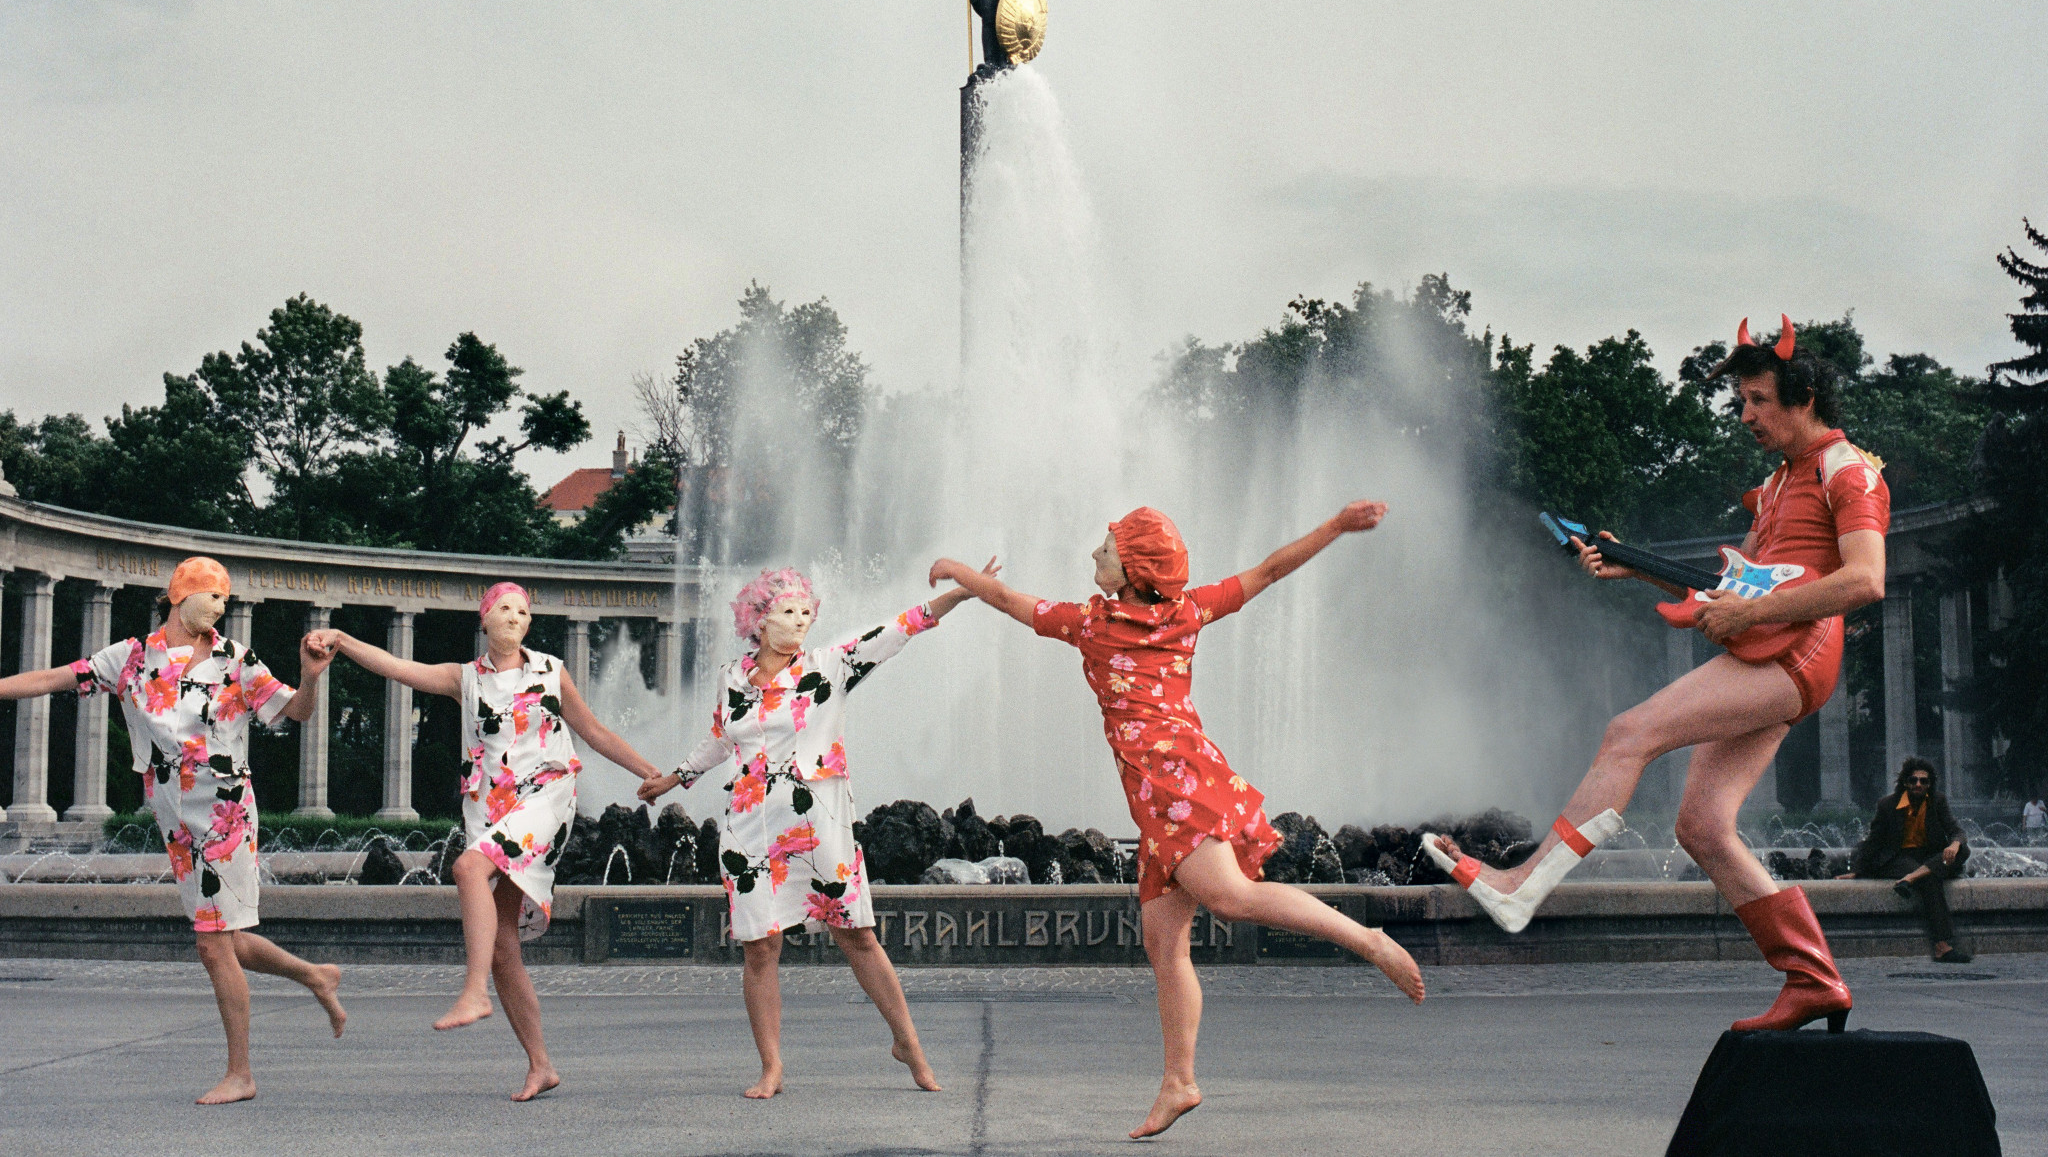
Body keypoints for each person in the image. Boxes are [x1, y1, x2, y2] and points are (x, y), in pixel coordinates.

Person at [1425, 316, 1890, 1034]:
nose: (1746, 416)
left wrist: (1747, 614)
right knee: (1702, 827)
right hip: (1770, 649)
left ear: (1804, 398)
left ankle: (1521, 887)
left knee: (1629, 734)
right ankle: (1813, 978)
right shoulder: (1775, 486)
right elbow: (1730, 588)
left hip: (1796, 653)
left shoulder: (1847, 470)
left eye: (1759, 400)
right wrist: (1631, 566)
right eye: (1741, 401)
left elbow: (1865, 580)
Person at [929, 504, 1425, 1141]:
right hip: (1162, 796)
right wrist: (1335, 526)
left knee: (1231, 898)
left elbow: (1006, 599)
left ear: (1135, 570)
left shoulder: (1092, 623)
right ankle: (1179, 1082)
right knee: (1165, 946)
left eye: (1107, 550)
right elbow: (1268, 571)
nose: (1094, 556)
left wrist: (959, 571)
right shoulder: (1178, 613)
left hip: (1178, 787)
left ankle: (1369, 940)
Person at [0, 556, 347, 1103]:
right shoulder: (132, 657)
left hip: (227, 811)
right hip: (175, 818)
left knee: (212, 944)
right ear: (180, 595)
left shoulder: (236, 659)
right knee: (229, 937)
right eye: (212, 595)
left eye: (225, 598)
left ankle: (241, 1074)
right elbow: (55, 677)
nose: (220, 607)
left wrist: (310, 676)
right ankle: (315, 976)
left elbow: (296, 713)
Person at [637, 565, 986, 1100]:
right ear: (758, 620)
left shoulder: (831, 665)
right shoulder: (732, 676)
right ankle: (771, 1067)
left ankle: (909, 1044)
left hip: (818, 822)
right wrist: (673, 778)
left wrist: (960, 594)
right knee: (760, 947)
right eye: (788, 611)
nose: (800, 620)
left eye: (806, 612)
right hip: (750, 827)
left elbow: (898, 629)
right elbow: (721, 738)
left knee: (857, 934)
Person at [310, 581, 665, 1100]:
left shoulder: (550, 670)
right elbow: (396, 667)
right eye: (504, 608)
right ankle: (541, 1065)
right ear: (485, 619)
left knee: (466, 868)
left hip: (546, 795)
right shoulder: (465, 678)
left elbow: (594, 732)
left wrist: (650, 772)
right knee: (502, 945)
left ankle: (474, 992)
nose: (515, 616)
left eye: (523, 610)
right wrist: (341, 639)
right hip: (491, 809)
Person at [1842, 758, 1973, 963]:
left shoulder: (1937, 801)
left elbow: (1956, 830)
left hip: (1928, 857)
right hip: (1898, 857)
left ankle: (1912, 877)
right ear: (1905, 782)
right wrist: (1858, 871)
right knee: (1930, 879)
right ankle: (1942, 946)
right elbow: (1874, 841)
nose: (1918, 784)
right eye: (1913, 780)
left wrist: (1954, 844)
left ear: (1929, 784)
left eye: (1924, 781)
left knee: (1963, 850)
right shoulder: (1887, 805)